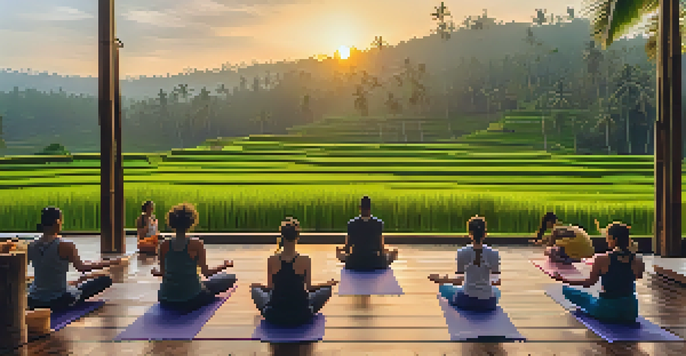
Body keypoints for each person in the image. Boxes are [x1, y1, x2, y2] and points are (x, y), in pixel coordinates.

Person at [26, 207, 120, 311]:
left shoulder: (31, 245)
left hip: (34, 300)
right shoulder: (66, 245)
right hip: (59, 300)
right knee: (106, 280)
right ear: (57, 223)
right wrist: (112, 262)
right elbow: (82, 267)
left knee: (34, 283)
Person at [251, 217, 337, 327]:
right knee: (326, 290)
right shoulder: (305, 260)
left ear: (282, 237)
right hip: (301, 314)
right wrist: (327, 284)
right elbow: (309, 287)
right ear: (297, 238)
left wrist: (258, 286)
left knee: (255, 290)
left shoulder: (272, 260)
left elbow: (269, 287)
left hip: (275, 314)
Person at [551, 222, 643, 324]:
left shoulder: (601, 259)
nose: (606, 240)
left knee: (569, 292)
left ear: (614, 240)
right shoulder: (638, 260)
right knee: (594, 297)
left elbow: (589, 282)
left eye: (608, 238)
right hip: (630, 311)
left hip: (606, 310)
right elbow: (638, 275)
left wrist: (564, 279)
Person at [152, 203, 237, 313]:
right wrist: (224, 265)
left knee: (207, 283)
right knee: (230, 278)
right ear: (191, 223)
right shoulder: (196, 244)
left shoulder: (163, 245)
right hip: (191, 298)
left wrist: (155, 272)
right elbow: (206, 273)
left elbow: (163, 272)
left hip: (166, 297)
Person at [428, 215, 501, 311]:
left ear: (470, 234)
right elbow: (497, 281)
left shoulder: (462, 252)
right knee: (496, 291)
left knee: (444, 288)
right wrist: (482, 281)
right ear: (485, 234)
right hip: (488, 302)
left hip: (466, 300)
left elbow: (458, 280)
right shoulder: (494, 254)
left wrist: (442, 280)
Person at [336, 196, 398, 271]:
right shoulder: (378, 224)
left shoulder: (351, 224)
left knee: (344, 257)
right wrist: (386, 253)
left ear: (360, 208)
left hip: (355, 262)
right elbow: (380, 247)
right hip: (374, 262)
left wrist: (340, 250)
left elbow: (348, 247)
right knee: (392, 254)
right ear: (370, 208)